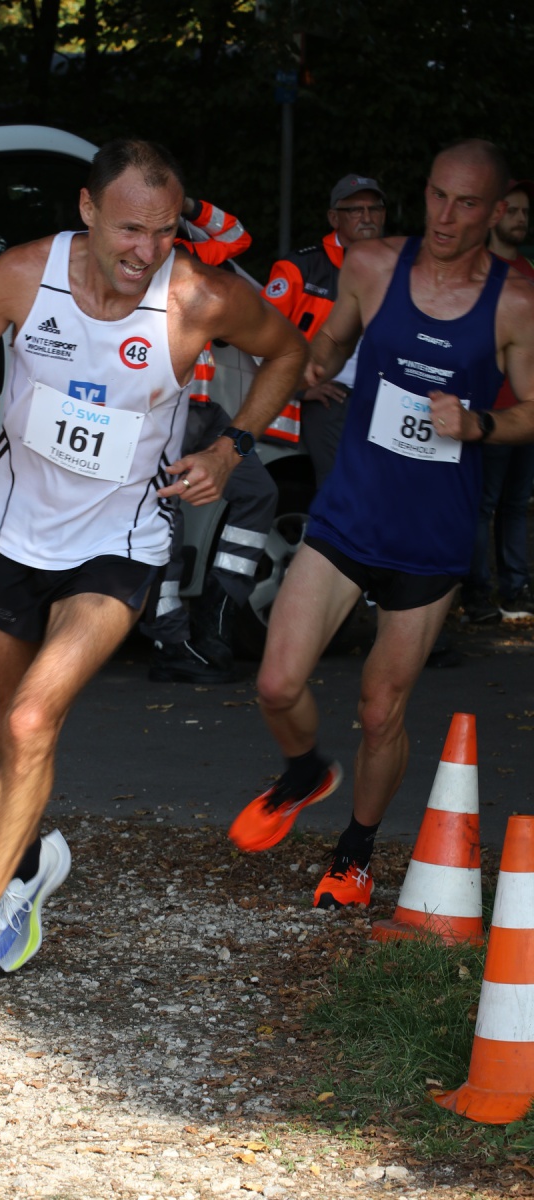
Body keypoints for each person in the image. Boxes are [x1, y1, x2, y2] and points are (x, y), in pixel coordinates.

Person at [0, 137, 307, 1026]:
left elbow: (287, 351)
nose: (146, 250)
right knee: (7, 742)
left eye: (164, 232)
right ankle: (29, 871)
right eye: (129, 229)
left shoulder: (197, 297)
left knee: (30, 720)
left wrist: (230, 445)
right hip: (18, 536)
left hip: (117, 543)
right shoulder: (25, 275)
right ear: (87, 210)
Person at [228, 138, 534, 911]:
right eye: (436, 195)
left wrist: (479, 423)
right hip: (350, 512)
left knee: (379, 709)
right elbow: (333, 338)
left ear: (497, 211)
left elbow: (532, 408)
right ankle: (306, 770)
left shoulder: (516, 302)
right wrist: (316, 363)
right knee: (276, 682)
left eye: (466, 203)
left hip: (431, 535)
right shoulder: (371, 265)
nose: (445, 216)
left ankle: (355, 855)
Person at [142, 195, 278, 684]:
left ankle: (217, 617)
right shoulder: (132, 260)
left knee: (258, 492)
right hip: (155, 410)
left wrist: (189, 206)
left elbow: (236, 237)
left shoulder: (190, 251)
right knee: (164, 522)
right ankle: (170, 643)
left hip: (203, 410)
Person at [262, 174, 386, 488]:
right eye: (355, 210)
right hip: (331, 398)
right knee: (339, 486)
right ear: (334, 218)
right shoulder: (301, 267)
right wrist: (301, 388)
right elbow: (257, 336)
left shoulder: (398, 268)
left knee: (383, 488)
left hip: (383, 396)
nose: (367, 217)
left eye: (374, 208)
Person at [461, 178, 534, 623]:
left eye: (526, 212)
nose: (521, 219)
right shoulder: (475, 270)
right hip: (489, 410)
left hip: (527, 412)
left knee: (515, 505)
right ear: (494, 215)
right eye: (513, 211)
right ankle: (476, 595)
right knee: (482, 505)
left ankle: (515, 591)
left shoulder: (530, 272)